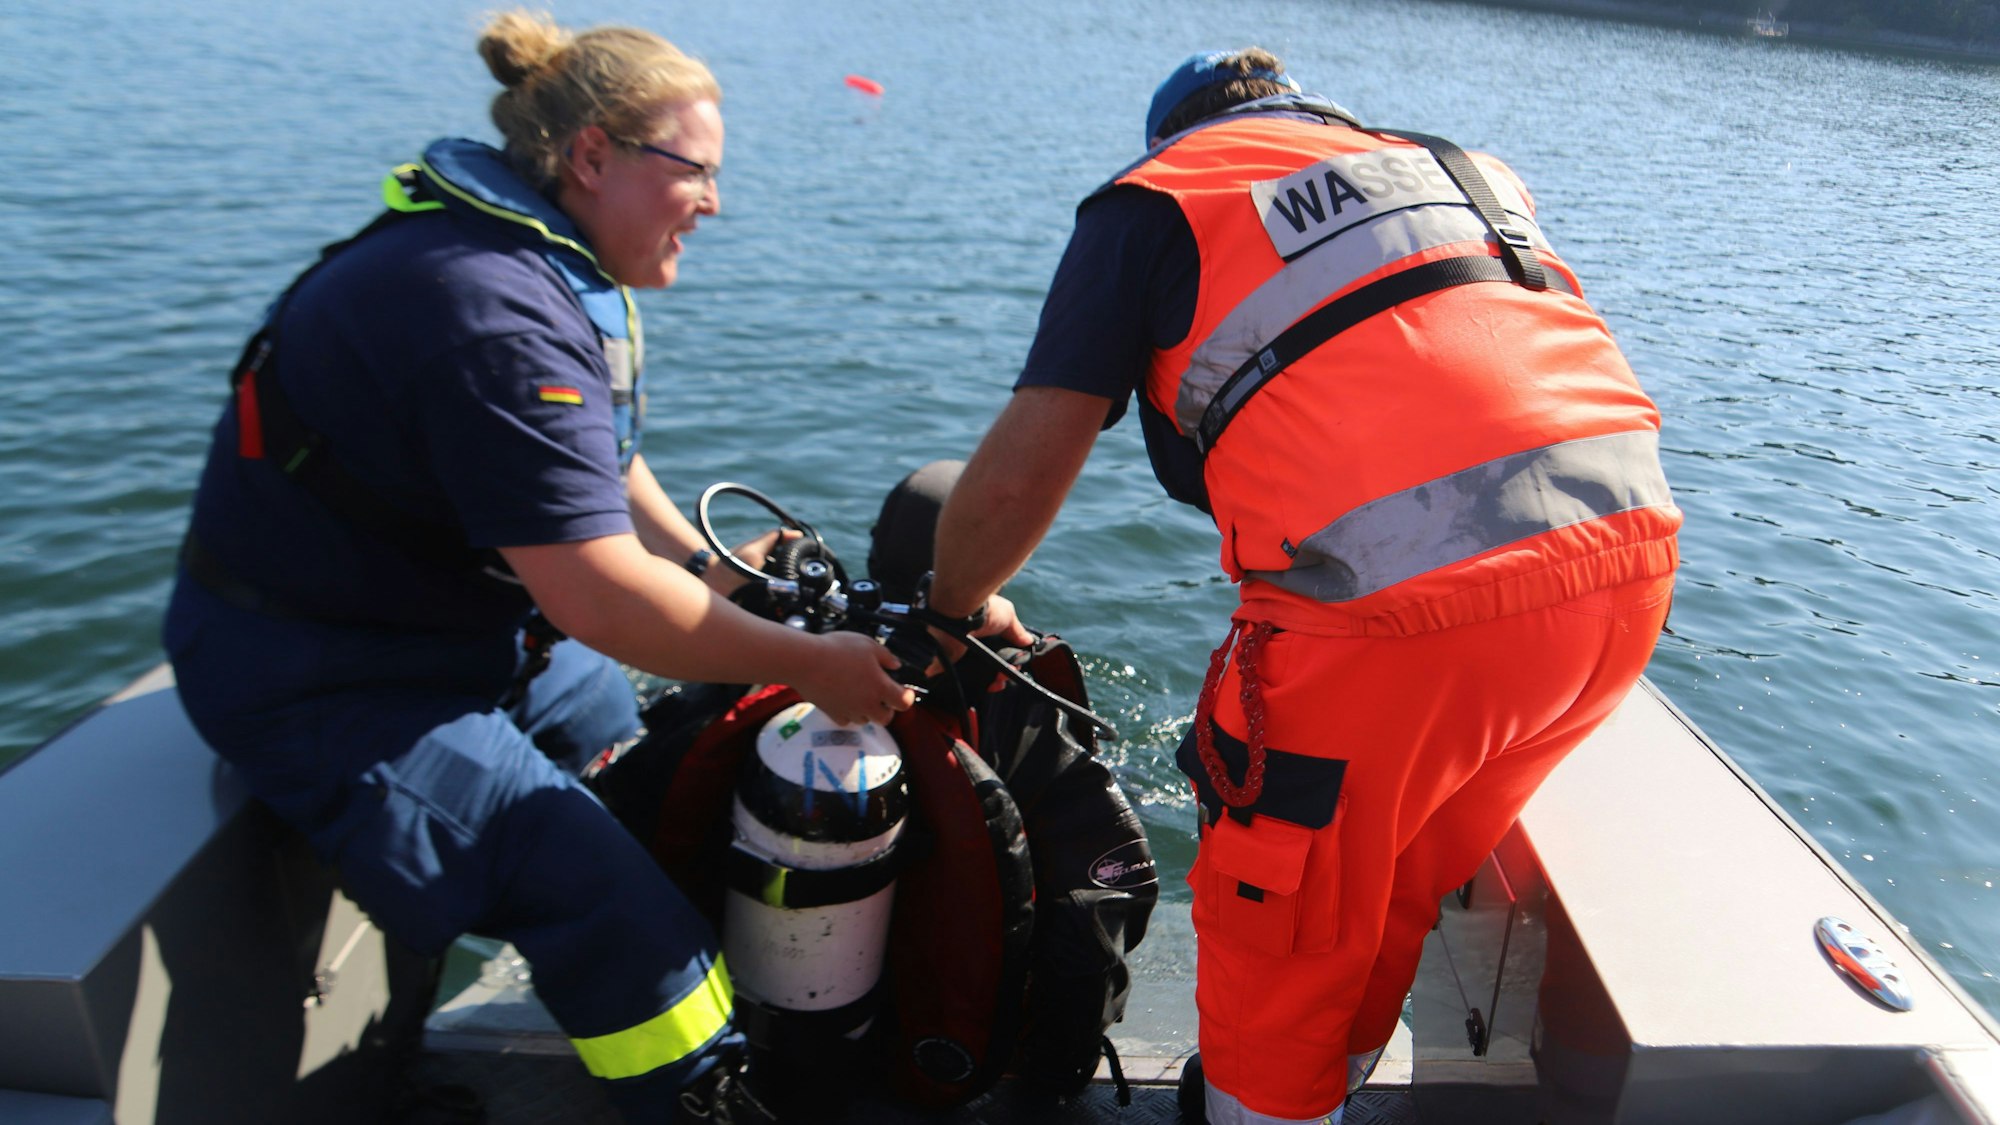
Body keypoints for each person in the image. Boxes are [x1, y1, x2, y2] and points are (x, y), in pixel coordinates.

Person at [162, 11, 914, 1122]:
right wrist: (808, 662)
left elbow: (595, 470)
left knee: (631, 753)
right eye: (694, 172)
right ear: (592, 155)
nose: (714, 202)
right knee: (606, 905)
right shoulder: (491, 308)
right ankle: (698, 1088)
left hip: (445, 633)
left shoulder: (534, 265)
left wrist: (723, 579)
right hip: (323, 674)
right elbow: (597, 592)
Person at [927, 49, 1681, 1125]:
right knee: (1389, 889)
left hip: (1399, 620)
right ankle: (1326, 1089)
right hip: (1621, 581)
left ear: (1174, 134)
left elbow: (1025, 467)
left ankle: (1263, 1106)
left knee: (1277, 928)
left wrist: (950, 614)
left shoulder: (1158, 198)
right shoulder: (1455, 170)